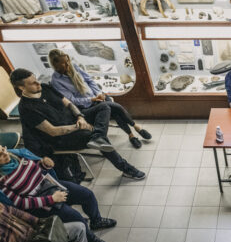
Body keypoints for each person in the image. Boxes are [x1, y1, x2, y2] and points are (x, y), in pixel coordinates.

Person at [0, 136, 115, 242]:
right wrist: (51, 199)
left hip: (48, 186)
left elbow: (35, 169)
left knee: (87, 195)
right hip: (39, 203)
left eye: (3, 149)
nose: (6, 155)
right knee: (75, 217)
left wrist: (42, 164)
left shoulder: (16, 156)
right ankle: (91, 240)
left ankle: (96, 220)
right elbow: (20, 203)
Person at [9, 68, 146, 180]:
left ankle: (98, 137)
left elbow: (69, 103)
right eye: (32, 83)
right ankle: (126, 169)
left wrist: (80, 117)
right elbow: (53, 131)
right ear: (21, 87)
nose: (38, 84)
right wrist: (79, 126)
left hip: (76, 121)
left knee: (104, 106)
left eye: (36, 80)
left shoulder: (44, 87)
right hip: (61, 138)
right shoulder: (26, 108)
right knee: (95, 136)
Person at [48, 49, 152, 149]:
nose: (68, 65)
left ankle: (131, 135)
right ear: (55, 64)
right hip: (86, 107)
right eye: (64, 63)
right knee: (110, 106)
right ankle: (136, 127)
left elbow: (90, 81)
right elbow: (72, 101)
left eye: (68, 61)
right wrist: (92, 99)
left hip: (97, 97)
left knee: (114, 110)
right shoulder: (56, 81)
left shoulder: (73, 66)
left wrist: (99, 94)